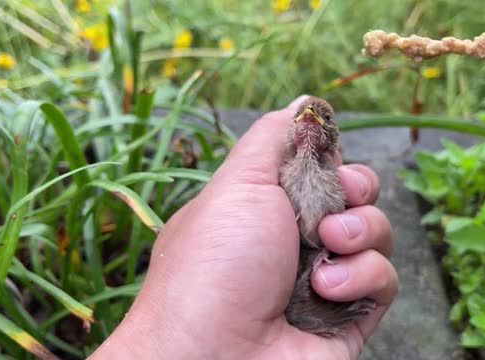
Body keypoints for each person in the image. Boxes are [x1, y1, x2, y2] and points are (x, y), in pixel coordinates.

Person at [90, 95, 398, 359]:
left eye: (323, 117)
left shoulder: (334, 181)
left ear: (333, 135)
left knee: (337, 255)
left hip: (306, 289)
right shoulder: (279, 178)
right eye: (301, 115)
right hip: (275, 298)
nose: (310, 117)